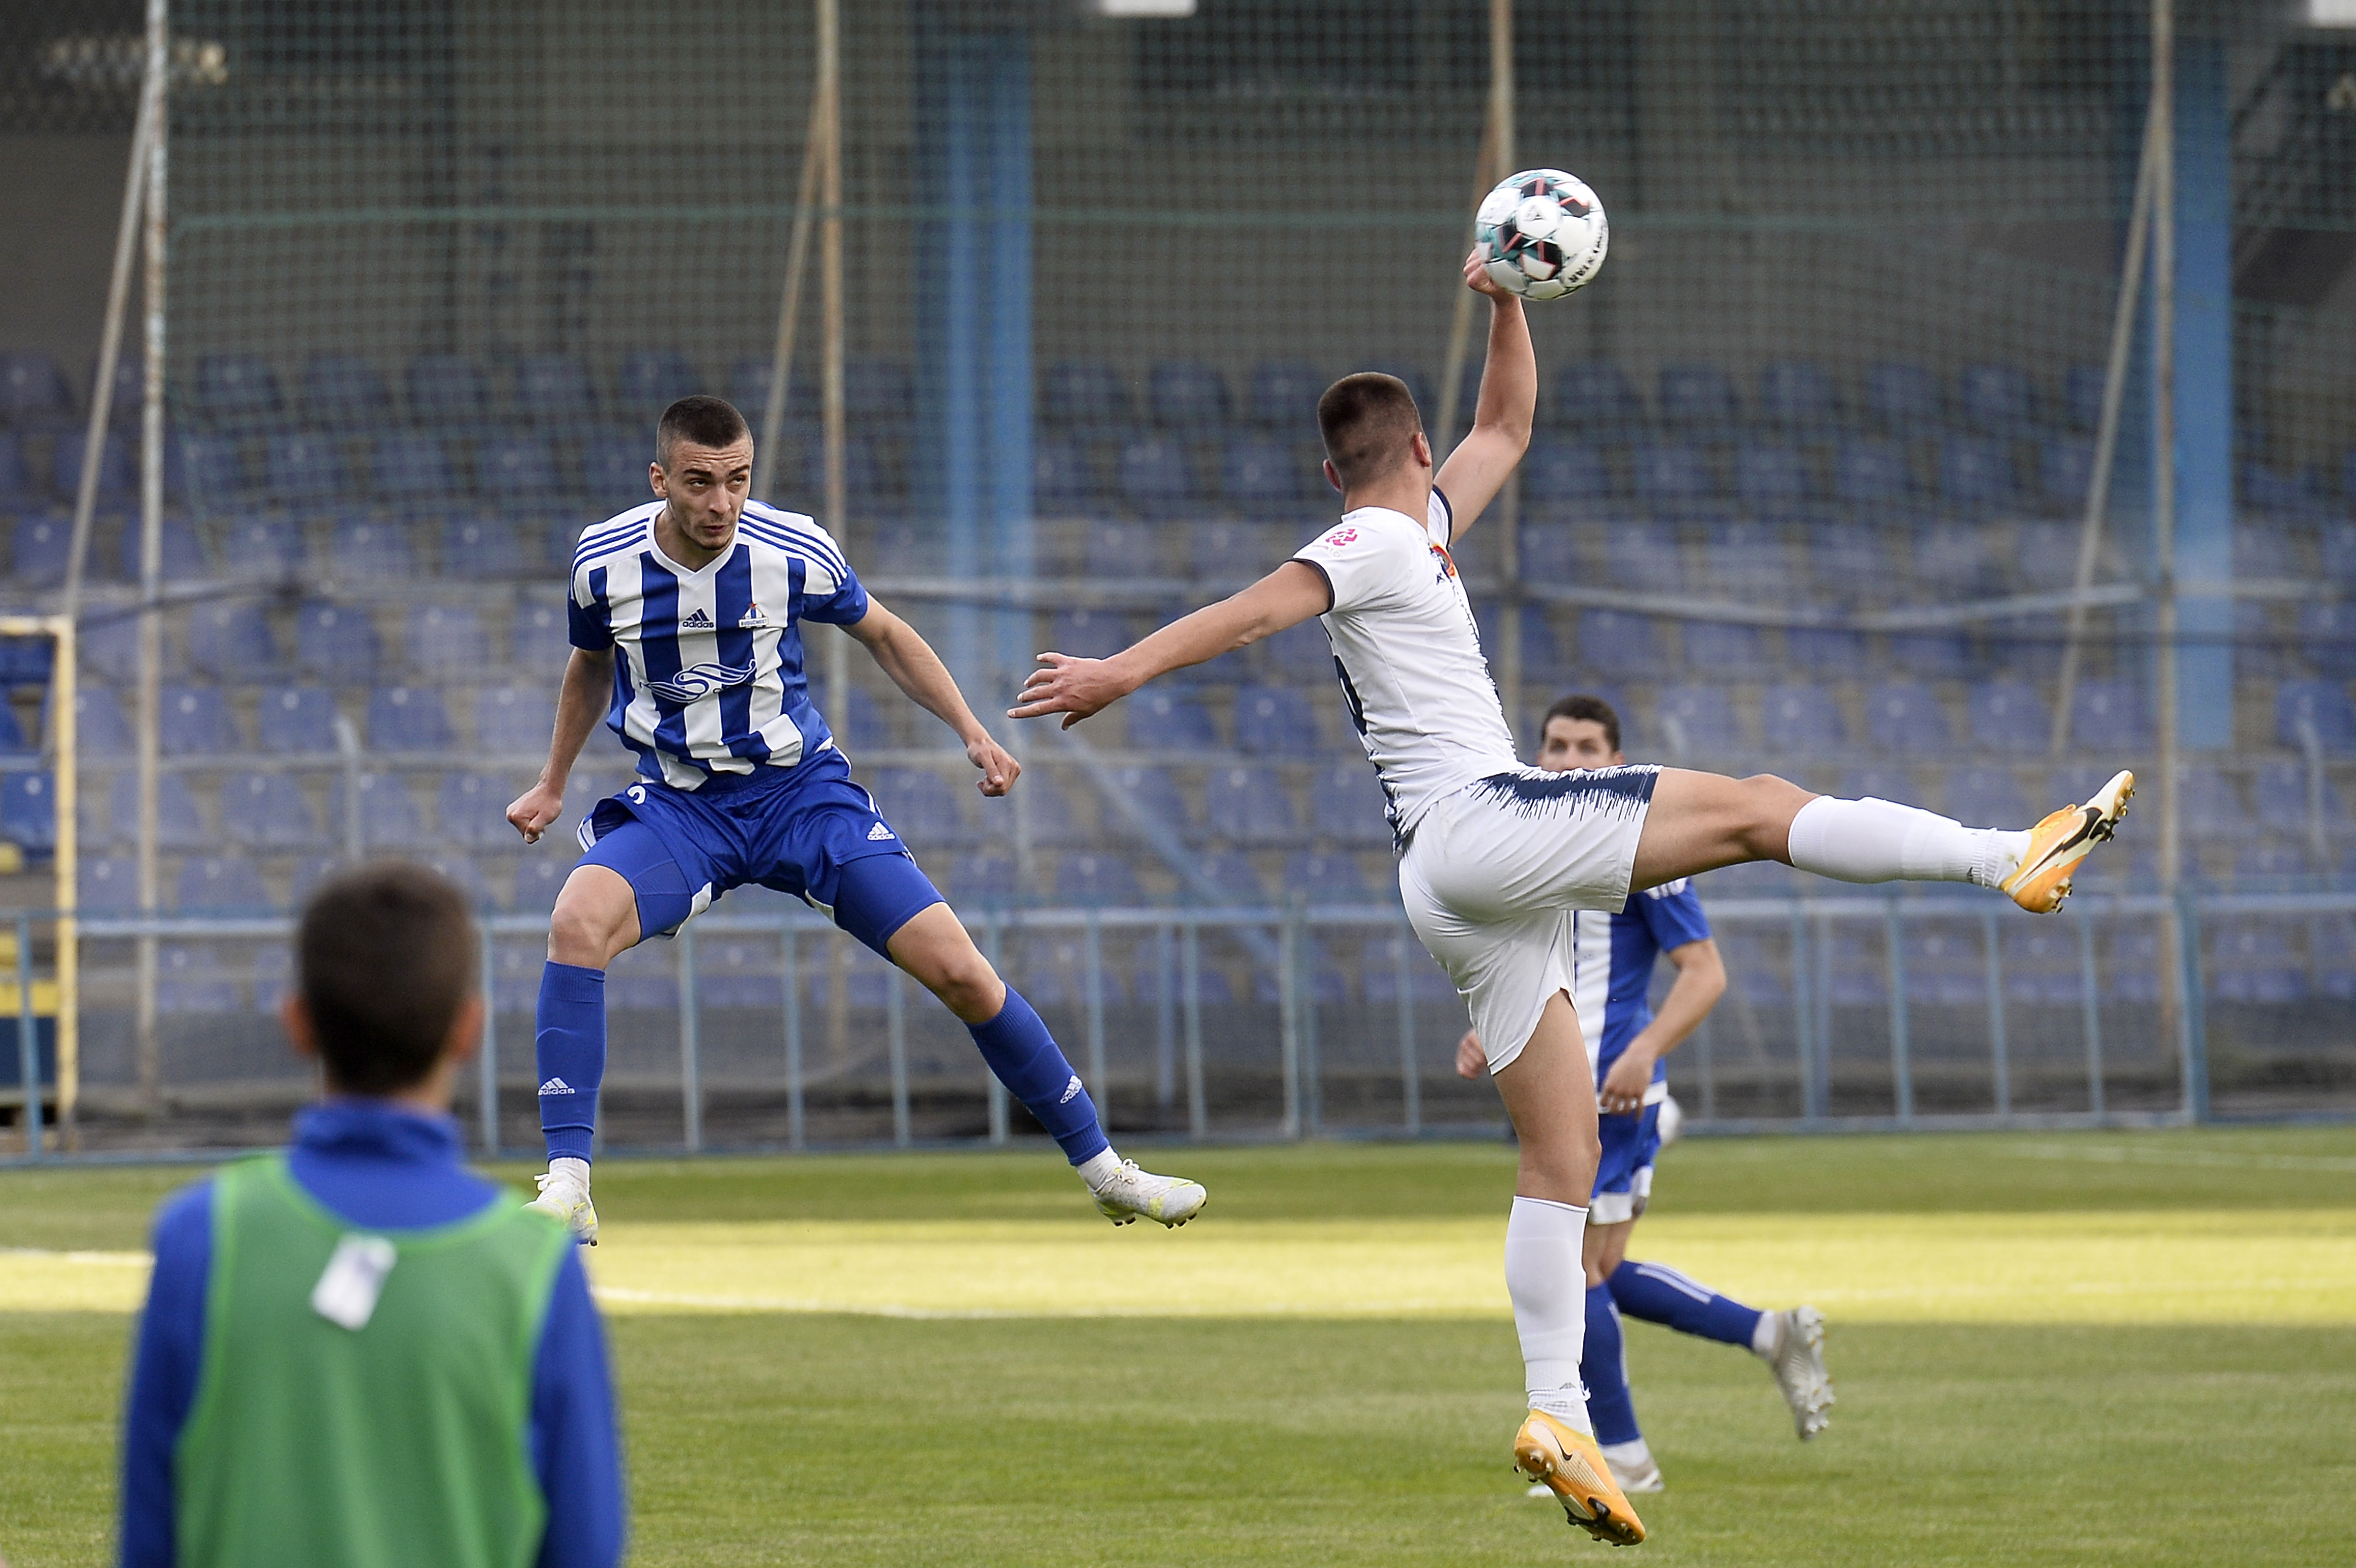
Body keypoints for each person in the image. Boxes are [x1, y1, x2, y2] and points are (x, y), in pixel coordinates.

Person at [1008, 247, 2133, 1545]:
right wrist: (1117, 674)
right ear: (1408, 452)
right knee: (1764, 805)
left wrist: (1507, 307)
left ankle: (1560, 1417)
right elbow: (1258, 609)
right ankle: (2012, 858)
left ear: (1339, 463)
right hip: (1482, 826)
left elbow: (1509, 423)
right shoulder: (1379, 536)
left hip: (1447, 880)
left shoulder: (1414, 524)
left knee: (1562, 1158)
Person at [504, 395, 1204, 1241]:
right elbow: (590, 666)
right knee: (576, 922)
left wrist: (973, 732)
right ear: (661, 480)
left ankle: (1106, 1171)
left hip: (803, 798)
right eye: (699, 483)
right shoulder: (603, 562)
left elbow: (887, 634)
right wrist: (553, 783)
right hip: (684, 808)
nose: (721, 503)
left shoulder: (791, 547)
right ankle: (571, 1184)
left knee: (961, 972)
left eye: (737, 480)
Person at [119, 862, 625, 1568]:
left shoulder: (201, 1236)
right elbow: (585, 1547)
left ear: (297, 1024)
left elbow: (149, 1537)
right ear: (468, 1030)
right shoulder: (537, 1265)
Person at [1452, 692, 1833, 1499]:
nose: (1568, 761)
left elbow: (1706, 971)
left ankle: (1622, 1452)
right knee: (1600, 1269)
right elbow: (1527, 967)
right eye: (1555, 745)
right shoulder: (1529, 848)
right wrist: (1494, 1027)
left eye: (1588, 748)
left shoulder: (1637, 856)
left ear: (1617, 765)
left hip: (1611, 1099)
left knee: (1574, 1267)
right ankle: (1769, 1333)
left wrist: (1644, 1052)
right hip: (1561, 1086)